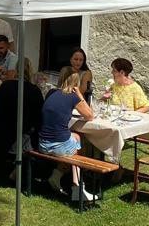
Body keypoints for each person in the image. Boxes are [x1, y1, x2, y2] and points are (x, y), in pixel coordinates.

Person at [39, 71, 95, 202]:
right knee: (77, 147)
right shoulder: (72, 96)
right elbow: (90, 116)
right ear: (76, 83)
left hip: (42, 144)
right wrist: (80, 95)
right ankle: (77, 187)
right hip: (57, 147)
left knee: (75, 137)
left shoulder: (52, 93)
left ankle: (57, 176)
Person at [0, 58, 44, 185]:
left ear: (15, 70)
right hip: (15, 136)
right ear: (31, 72)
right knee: (35, 132)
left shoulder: (5, 86)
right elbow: (38, 119)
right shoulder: (34, 91)